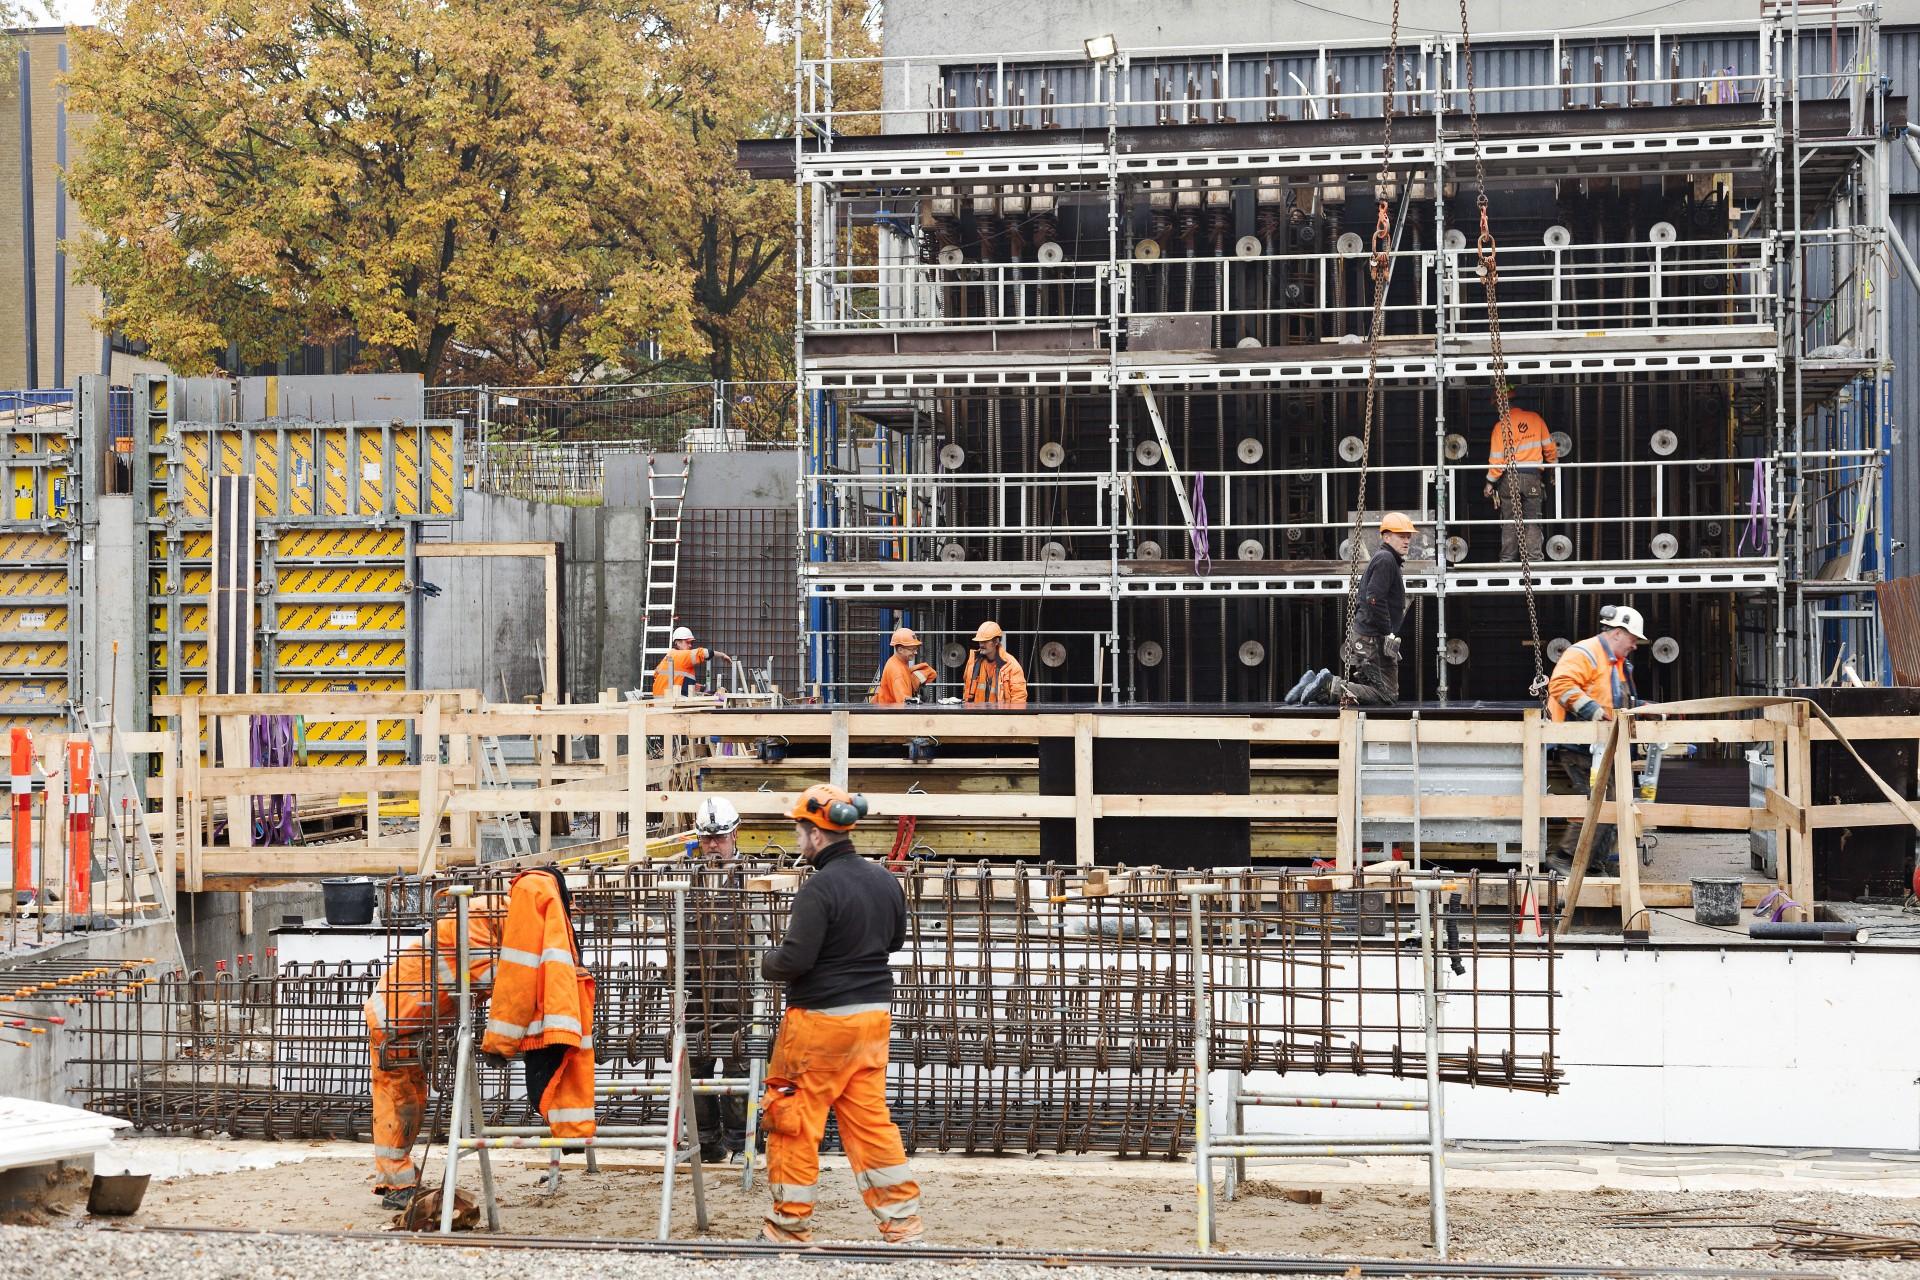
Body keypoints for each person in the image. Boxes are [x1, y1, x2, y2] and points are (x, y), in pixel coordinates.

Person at [758, 784, 923, 1245]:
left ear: (816, 834)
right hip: (872, 1022)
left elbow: (794, 961)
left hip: (820, 1023)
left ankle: (789, 1227)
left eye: (798, 831)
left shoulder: (820, 888)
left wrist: (767, 962)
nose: (797, 839)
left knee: (793, 1118)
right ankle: (902, 1223)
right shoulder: (883, 879)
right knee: (870, 1121)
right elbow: (894, 943)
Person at [363, 894, 506, 1208]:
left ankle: (400, 1174)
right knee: (399, 1100)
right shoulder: (473, 921)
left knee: (414, 1098)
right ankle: (394, 1182)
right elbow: (490, 975)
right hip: (393, 1020)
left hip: (410, 1021)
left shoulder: (483, 920)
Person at [482, 868, 596, 1148]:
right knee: (570, 1082)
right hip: (564, 1012)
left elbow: (517, 977)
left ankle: (572, 1134)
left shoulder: (528, 892)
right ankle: (573, 1134)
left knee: (549, 1086)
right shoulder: (545, 892)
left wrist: (499, 1044)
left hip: (547, 1023)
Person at [1545, 605, 1648, 869]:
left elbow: (1616, 700)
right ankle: (1566, 858)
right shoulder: (1586, 653)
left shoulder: (1617, 663)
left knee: (1615, 800)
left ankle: (1592, 863)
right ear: (1616, 633)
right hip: (1579, 745)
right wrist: (1596, 713)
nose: (1635, 645)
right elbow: (1561, 686)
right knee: (1603, 799)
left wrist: (1643, 709)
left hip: (1602, 745)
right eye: (1633, 639)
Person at [1284, 513, 1413, 707]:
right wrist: (1388, 633)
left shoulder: (1385, 559)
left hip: (1368, 636)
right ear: (1386, 537)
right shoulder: (1386, 559)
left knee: (1372, 691)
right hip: (1373, 639)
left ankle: (1311, 684)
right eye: (1401, 535)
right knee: (1387, 695)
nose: (1407, 540)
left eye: (1408, 536)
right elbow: (1374, 598)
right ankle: (1330, 684)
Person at [689, 796, 749, 1163]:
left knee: (738, 1065)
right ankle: (707, 1144)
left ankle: (742, 1143)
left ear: (735, 834)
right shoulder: (687, 881)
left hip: (736, 988)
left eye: (721, 838)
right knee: (695, 1068)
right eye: (708, 839)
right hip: (695, 989)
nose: (714, 845)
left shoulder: (753, 880)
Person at [1485, 405, 1558, 562]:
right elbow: (1550, 448)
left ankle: (1507, 560)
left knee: (1510, 520)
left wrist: (1490, 482)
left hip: (1509, 478)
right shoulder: (1535, 419)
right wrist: (1553, 470)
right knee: (1532, 519)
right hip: (1532, 476)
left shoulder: (1501, 425)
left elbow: (1497, 459)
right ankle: (1535, 559)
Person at [653, 626, 733, 698]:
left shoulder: (668, 656)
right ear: (677, 642)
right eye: (687, 642)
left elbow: (661, 677)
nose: (690, 645)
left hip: (658, 702)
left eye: (691, 642)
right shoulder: (682, 655)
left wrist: (696, 687)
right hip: (671, 703)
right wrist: (722, 655)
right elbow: (703, 653)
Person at [962, 620, 1027, 708]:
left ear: (996, 641)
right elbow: (966, 691)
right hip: (978, 716)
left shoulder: (1011, 665)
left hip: (1001, 717)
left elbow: (1019, 698)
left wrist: (1013, 719)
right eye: (980, 641)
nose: (981, 644)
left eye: (985, 641)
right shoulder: (973, 663)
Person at [873, 627, 938, 705]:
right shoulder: (897, 672)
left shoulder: (898, 662)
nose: (916, 652)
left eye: (916, 649)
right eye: (912, 649)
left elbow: (932, 674)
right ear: (900, 650)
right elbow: (904, 703)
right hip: (891, 714)